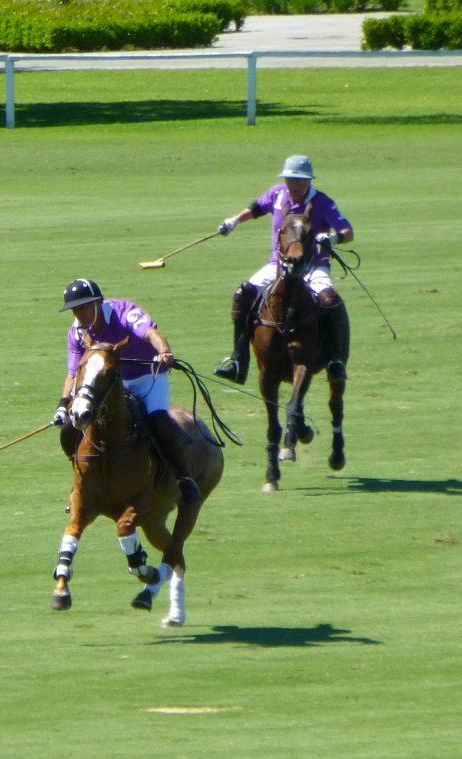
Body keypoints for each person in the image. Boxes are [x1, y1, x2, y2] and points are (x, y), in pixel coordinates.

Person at [55, 278, 201, 503]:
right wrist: (63, 405)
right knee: (78, 426)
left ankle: (184, 477)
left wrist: (164, 351)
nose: (80, 315)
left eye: (83, 308)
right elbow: (73, 374)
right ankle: (82, 484)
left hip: (149, 378)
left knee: (158, 419)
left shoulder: (123, 312)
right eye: (75, 310)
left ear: (97, 303)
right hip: (114, 383)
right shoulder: (76, 333)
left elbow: (150, 333)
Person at [214, 154, 354, 385]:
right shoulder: (277, 193)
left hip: (313, 267)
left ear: (309, 180)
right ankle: (238, 360)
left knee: (329, 301)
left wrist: (332, 238)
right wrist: (234, 221)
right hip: (278, 265)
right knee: (243, 294)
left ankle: (334, 359)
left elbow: (348, 232)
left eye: (299, 180)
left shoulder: (322, 202)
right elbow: (256, 208)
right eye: (290, 179)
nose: (294, 185)